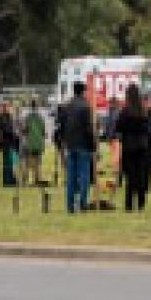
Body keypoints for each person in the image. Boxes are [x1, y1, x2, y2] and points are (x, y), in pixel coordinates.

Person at [62, 82, 96, 214]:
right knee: (84, 175)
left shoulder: (67, 106)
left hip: (70, 144)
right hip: (83, 145)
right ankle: (82, 202)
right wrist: (93, 145)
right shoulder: (86, 106)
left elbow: (63, 125)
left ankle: (70, 205)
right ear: (83, 91)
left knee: (71, 176)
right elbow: (88, 128)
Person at [115, 84, 150, 212]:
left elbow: (118, 127)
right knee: (141, 175)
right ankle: (141, 202)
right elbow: (147, 129)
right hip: (142, 146)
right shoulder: (143, 111)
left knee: (130, 176)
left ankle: (129, 203)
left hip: (129, 146)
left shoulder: (125, 111)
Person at [21, 100, 46, 186]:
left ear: (30, 106)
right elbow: (43, 131)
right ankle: (36, 179)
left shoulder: (27, 117)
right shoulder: (41, 118)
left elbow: (24, 130)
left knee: (27, 162)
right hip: (38, 143)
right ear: (37, 106)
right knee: (37, 162)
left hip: (29, 143)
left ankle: (25, 180)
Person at [0, 102, 19, 187]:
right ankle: (7, 180)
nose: (8, 109)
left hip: (10, 142)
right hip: (6, 142)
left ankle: (10, 178)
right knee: (7, 162)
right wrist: (14, 133)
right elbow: (7, 129)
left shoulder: (9, 117)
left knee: (10, 162)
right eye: (6, 107)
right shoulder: (3, 118)